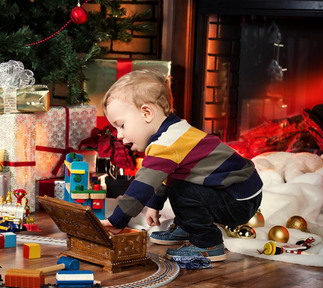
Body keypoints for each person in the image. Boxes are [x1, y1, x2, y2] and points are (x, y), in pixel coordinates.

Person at [100, 70, 263, 262]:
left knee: (181, 192)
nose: (118, 135)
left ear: (147, 113)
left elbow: (142, 186)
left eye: (121, 125)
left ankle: (207, 244)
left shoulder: (167, 143)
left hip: (238, 199)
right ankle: (188, 227)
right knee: (181, 186)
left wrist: (117, 219)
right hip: (237, 191)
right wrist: (154, 204)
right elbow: (167, 175)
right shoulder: (175, 131)